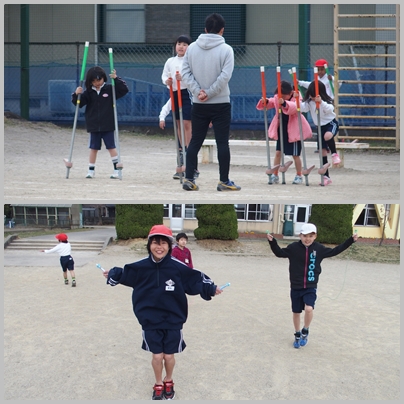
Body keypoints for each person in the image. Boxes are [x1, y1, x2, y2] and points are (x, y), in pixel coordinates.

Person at [102, 224, 223, 400]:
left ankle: (169, 380)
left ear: (169, 245)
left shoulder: (177, 267)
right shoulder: (141, 267)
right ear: (149, 245)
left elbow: (195, 280)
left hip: (173, 319)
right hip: (150, 320)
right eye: (155, 243)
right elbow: (125, 273)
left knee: (169, 355)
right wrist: (113, 274)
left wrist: (210, 288)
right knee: (157, 356)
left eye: (163, 243)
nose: (159, 247)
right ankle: (158, 382)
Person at [266, 223, 358, 349]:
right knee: (296, 312)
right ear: (300, 236)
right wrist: (272, 242)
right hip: (296, 286)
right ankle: (297, 334)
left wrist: (351, 240)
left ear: (315, 236)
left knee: (309, 308)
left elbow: (335, 251)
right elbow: (279, 253)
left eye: (310, 236)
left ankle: (305, 330)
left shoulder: (319, 249)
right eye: (305, 236)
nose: (307, 239)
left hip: (310, 286)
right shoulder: (293, 248)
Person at [181, 13, 241, 192]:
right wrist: (210, 92)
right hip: (220, 102)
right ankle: (224, 181)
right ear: (222, 30)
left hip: (198, 103)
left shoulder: (192, 48)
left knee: (195, 141)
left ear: (205, 29)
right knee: (222, 142)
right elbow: (225, 77)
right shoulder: (226, 50)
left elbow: (185, 73)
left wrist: (198, 92)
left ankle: (189, 178)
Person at [72, 66, 129, 179]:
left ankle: (116, 170)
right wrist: (76, 94)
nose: (97, 83)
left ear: (103, 78)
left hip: (108, 124)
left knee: (111, 147)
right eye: (93, 81)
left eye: (99, 80)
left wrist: (116, 78)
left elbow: (124, 90)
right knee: (93, 148)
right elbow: (79, 103)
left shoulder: (110, 89)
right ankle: (91, 170)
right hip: (94, 125)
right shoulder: (88, 92)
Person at [256, 80, 313, 185]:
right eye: (280, 95)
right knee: (278, 152)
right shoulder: (278, 97)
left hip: (294, 129)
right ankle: (275, 174)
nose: (281, 97)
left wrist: (284, 103)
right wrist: (266, 101)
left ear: (290, 93)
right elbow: (272, 102)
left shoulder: (296, 97)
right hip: (282, 128)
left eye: (284, 96)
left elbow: (294, 107)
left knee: (295, 154)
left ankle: (299, 175)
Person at [162, 35, 196, 181]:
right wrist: (167, 81)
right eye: (179, 44)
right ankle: (181, 151)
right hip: (175, 93)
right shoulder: (170, 61)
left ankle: (189, 151)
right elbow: (164, 76)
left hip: (187, 93)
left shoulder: (191, 61)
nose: (181, 47)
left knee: (187, 123)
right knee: (178, 123)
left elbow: (195, 78)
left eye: (184, 44)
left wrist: (184, 79)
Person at [300, 81, 341, 186]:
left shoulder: (326, 101)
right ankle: (326, 177)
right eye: (311, 95)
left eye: (314, 96)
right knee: (322, 152)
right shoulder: (309, 102)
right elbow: (302, 108)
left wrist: (321, 102)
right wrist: (297, 99)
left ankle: (334, 154)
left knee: (327, 136)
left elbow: (330, 110)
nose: (312, 98)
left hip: (330, 124)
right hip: (319, 127)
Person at [158, 98, 200, 180]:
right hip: (181, 133)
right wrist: (162, 118)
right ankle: (181, 164)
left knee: (186, 125)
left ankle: (193, 168)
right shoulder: (175, 97)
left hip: (191, 126)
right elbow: (167, 106)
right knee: (179, 124)